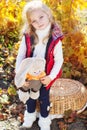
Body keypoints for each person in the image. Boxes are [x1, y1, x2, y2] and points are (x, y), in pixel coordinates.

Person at [15, 1, 64, 130]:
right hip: (29, 74)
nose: (39, 22)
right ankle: (29, 117)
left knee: (44, 98)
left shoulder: (55, 39)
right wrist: (20, 74)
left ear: (48, 14)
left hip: (45, 75)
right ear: (30, 23)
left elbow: (59, 60)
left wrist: (51, 77)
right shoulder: (28, 36)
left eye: (41, 17)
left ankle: (44, 121)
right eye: (34, 21)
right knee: (30, 97)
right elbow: (20, 55)